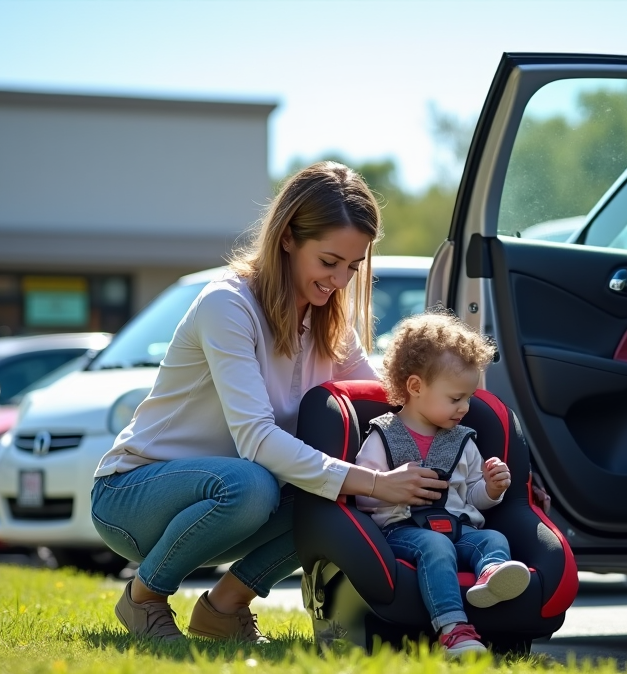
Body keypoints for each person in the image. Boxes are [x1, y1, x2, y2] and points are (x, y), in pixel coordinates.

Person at [89, 162, 451, 642]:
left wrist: (481, 456)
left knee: (329, 490)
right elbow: (256, 439)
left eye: (353, 266)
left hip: (228, 502)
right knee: (258, 482)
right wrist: (375, 482)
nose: (341, 280)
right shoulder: (227, 305)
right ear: (287, 239)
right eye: (328, 262)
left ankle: (224, 606)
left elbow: (384, 406)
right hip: (132, 497)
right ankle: (144, 598)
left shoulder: (331, 321)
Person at [355, 312, 531, 657]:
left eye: (468, 398)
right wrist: (389, 488)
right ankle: (453, 630)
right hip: (404, 531)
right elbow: (365, 495)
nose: (464, 408)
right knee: (436, 548)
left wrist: (493, 489)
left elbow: (473, 497)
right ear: (416, 387)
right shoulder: (383, 437)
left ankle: (491, 574)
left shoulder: (463, 441)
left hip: (459, 528)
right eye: (455, 399)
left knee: (493, 537)